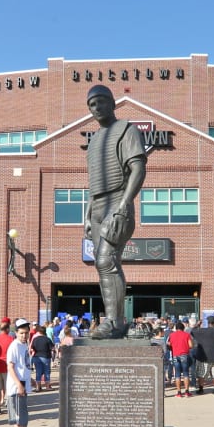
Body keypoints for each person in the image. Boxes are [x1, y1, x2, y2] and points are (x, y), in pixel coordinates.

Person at [81, 85, 148, 338]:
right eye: (91, 104)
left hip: (118, 200)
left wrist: (124, 205)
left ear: (112, 103)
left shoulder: (126, 129)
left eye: (100, 102)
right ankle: (117, 323)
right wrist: (87, 215)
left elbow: (138, 169)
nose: (96, 108)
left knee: (105, 260)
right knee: (103, 264)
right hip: (97, 205)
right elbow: (93, 184)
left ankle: (113, 321)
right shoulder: (95, 140)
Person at [5, 320, 39, 427]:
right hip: (17, 388)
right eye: (21, 333)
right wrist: (19, 384)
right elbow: (10, 367)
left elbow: (22, 365)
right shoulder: (14, 346)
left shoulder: (24, 345)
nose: (24, 335)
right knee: (23, 421)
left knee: (19, 421)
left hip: (22, 384)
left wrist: (29, 377)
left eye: (26, 333)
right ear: (16, 333)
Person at [167, 321, 193, 398]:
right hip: (184, 355)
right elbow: (191, 345)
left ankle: (178, 392)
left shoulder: (171, 335)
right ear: (183, 328)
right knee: (186, 373)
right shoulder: (187, 335)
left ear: (176, 328)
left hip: (175, 355)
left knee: (177, 374)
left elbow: (169, 344)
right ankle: (187, 392)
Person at [30, 323, 55, 391]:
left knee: (38, 372)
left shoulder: (35, 339)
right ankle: (47, 387)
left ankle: (38, 387)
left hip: (36, 357)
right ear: (45, 332)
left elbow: (32, 348)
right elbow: (52, 348)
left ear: (39, 332)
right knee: (46, 372)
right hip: (45, 357)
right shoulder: (47, 339)